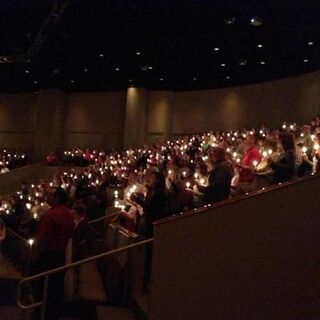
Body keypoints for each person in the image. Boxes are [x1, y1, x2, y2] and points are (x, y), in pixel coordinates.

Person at [31, 187, 74, 320]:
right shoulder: (69, 214)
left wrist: (34, 257)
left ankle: (41, 313)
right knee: (56, 287)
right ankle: (53, 313)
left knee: (40, 286)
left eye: (51, 194)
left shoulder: (49, 216)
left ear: (57, 198)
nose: (48, 196)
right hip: (60, 256)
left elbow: (42, 240)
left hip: (48, 257)